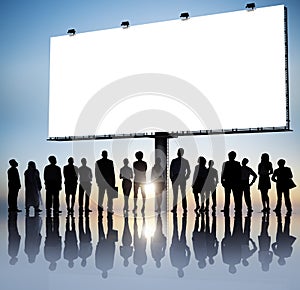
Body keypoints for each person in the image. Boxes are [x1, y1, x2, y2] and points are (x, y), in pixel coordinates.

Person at [170, 148, 191, 213]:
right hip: (181, 177)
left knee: (176, 194)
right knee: (182, 194)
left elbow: (171, 170)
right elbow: (188, 171)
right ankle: (184, 208)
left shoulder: (174, 161)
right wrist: (186, 177)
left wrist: (172, 178)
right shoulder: (185, 161)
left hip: (177, 177)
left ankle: (176, 208)